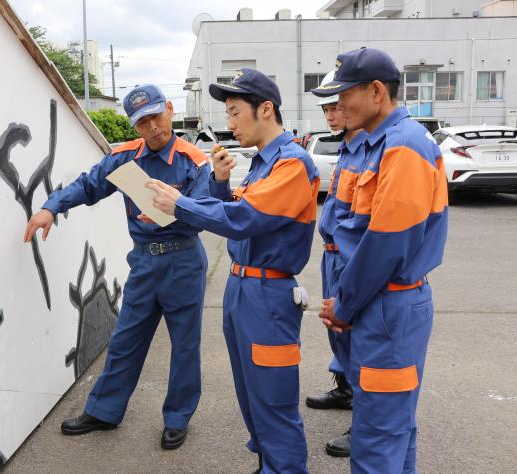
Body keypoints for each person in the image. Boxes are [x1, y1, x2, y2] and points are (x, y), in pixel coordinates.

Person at [148, 68, 318, 474]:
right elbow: (236, 212)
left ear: (265, 109)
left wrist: (181, 203)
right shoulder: (263, 164)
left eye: (235, 112)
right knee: (251, 395)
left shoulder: (292, 164)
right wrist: (222, 184)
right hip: (242, 290)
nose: (229, 124)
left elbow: (245, 218)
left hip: (268, 296)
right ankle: (269, 466)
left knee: (273, 403)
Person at [23, 84, 211, 450]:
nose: (153, 127)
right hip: (143, 261)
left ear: (169, 110)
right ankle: (104, 411)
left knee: (184, 345)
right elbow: (88, 185)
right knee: (125, 339)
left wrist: (171, 213)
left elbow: (205, 213)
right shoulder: (125, 158)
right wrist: (51, 207)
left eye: (156, 116)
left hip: (182, 258)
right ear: (134, 125)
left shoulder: (194, 160)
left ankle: (177, 418)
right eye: (143, 122)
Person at [312, 48, 448, 473]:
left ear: (375, 92)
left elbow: (386, 243)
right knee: (391, 431)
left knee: (377, 439)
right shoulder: (375, 142)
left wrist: (345, 303)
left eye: (343, 96)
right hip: (377, 302)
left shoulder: (403, 146)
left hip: (386, 306)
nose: (337, 108)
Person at [305, 70, 368, 458]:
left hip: (350, 258)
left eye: (336, 107)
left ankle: (364, 419)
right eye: (326, 108)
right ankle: (345, 389)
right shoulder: (346, 147)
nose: (330, 114)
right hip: (332, 256)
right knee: (337, 331)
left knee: (357, 335)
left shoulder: (368, 149)